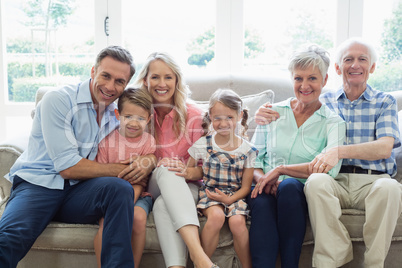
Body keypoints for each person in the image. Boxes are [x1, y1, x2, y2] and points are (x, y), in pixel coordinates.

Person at [0, 46, 157, 267]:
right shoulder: (59, 100)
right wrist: (125, 168)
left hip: (79, 192)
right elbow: (68, 168)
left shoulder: (117, 115)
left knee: (120, 189)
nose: (111, 86)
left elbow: (143, 144)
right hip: (39, 185)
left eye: (119, 81)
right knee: (8, 239)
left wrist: (150, 160)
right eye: (106, 76)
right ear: (93, 71)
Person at [256, 38, 402, 267]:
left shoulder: (384, 101)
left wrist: (337, 151)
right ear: (336, 69)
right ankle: (330, 259)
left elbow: (385, 147)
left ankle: (374, 264)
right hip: (337, 177)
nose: (355, 65)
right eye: (348, 60)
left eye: (362, 59)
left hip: (373, 180)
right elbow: (299, 101)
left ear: (372, 67)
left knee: (391, 187)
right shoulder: (324, 99)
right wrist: (261, 113)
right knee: (316, 181)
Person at [249, 44, 346, 268]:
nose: (304, 85)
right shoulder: (272, 112)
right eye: (298, 78)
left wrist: (281, 171)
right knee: (261, 203)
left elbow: (329, 169)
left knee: (290, 186)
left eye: (312, 78)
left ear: (325, 79)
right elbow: (253, 159)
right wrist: (263, 179)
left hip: (298, 193)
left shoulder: (333, 123)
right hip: (265, 186)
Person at [134, 52, 218, 268]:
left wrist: (189, 172)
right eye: (155, 77)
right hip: (149, 186)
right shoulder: (137, 114)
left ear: (177, 80)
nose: (162, 84)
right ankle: (199, 258)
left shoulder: (194, 116)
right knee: (166, 168)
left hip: (187, 187)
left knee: (163, 206)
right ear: (146, 80)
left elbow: (208, 169)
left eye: (168, 77)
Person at [177, 88, 257, 268]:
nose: (223, 123)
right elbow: (189, 170)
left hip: (235, 195)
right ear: (210, 117)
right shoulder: (203, 143)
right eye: (217, 118)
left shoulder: (248, 150)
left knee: (237, 222)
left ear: (239, 116)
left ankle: (247, 266)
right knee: (216, 217)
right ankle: (202, 263)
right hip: (211, 194)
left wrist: (230, 199)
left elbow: (246, 187)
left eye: (229, 117)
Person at [94, 87, 157, 268]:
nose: (134, 123)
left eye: (140, 118)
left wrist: (129, 201)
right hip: (112, 197)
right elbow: (102, 176)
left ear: (148, 120)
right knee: (106, 223)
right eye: (128, 116)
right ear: (117, 114)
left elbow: (140, 181)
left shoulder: (148, 142)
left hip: (138, 195)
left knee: (137, 218)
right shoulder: (106, 143)